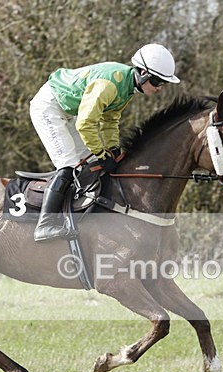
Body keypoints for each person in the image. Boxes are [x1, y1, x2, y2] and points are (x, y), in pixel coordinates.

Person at [29, 43, 181, 241]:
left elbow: (110, 119)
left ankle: (78, 216)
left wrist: (112, 148)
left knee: (90, 165)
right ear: (142, 72)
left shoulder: (128, 87)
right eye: (156, 81)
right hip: (49, 107)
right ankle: (45, 224)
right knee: (68, 165)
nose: (159, 88)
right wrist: (102, 153)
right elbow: (85, 124)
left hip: (69, 111)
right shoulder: (109, 85)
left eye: (163, 83)